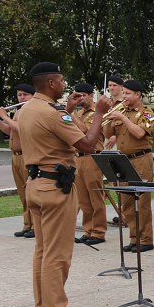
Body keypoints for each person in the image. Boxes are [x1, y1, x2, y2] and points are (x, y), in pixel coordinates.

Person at [18, 62, 111, 307]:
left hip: (35, 183)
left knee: (42, 251)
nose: (63, 84)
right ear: (50, 83)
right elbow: (88, 144)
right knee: (57, 254)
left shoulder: (28, 109)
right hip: (56, 188)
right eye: (60, 80)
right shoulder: (52, 114)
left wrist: (68, 111)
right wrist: (99, 114)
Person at [102, 79, 154, 252]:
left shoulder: (146, 113)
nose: (124, 96)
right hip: (123, 160)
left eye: (127, 93)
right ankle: (134, 238)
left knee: (142, 201)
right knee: (127, 203)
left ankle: (146, 239)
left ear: (138, 94)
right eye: (123, 93)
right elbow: (107, 133)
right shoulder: (121, 111)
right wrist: (110, 118)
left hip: (141, 159)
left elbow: (140, 133)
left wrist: (123, 118)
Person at [0, 84, 35, 238]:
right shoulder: (19, 112)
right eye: (19, 95)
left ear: (33, 96)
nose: (21, 98)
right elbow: (10, 130)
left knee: (31, 193)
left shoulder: (31, 111)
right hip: (16, 156)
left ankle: (35, 226)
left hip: (28, 156)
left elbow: (22, 129)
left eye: (25, 95)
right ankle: (27, 225)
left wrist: (4, 116)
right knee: (22, 194)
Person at [68, 83, 107, 245]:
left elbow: (84, 130)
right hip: (78, 157)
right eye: (77, 95)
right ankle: (88, 230)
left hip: (93, 157)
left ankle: (98, 232)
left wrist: (71, 113)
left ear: (91, 96)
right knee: (83, 198)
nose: (80, 98)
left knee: (95, 197)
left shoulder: (98, 112)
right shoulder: (80, 112)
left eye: (83, 95)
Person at [103, 75, 124, 151]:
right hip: (107, 141)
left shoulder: (126, 103)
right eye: (110, 85)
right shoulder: (106, 103)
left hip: (123, 141)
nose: (111, 88)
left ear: (121, 87)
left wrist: (116, 136)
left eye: (114, 85)